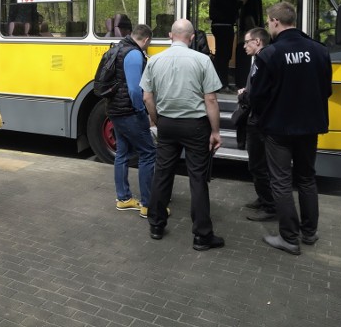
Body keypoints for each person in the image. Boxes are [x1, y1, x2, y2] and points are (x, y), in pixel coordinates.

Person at [249, 2, 332, 255]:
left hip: (279, 129)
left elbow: (257, 96)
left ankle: (288, 237)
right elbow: (326, 90)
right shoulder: (319, 51)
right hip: (310, 127)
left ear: (274, 21)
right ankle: (309, 232)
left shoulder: (269, 55)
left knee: (281, 181)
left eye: (268, 22)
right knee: (307, 178)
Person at [141, 19, 225, 250]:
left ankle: (156, 226)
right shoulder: (202, 60)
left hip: (167, 124)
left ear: (170, 35)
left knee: (162, 174)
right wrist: (216, 131)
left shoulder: (155, 60)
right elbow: (210, 99)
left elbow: (147, 98)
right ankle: (202, 236)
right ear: (191, 37)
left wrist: (158, 120)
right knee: (197, 178)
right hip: (196, 127)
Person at [106, 24, 156, 218]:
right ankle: (148, 205)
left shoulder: (118, 48)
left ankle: (124, 199)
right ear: (146, 40)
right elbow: (136, 90)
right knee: (148, 153)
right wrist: (142, 110)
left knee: (122, 152)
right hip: (129, 112)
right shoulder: (134, 54)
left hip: (116, 110)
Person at [236, 27, 276, 222]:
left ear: (258, 42)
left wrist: (244, 95)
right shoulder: (261, 59)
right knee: (258, 164)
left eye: (246, 42)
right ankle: (263, 198)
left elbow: (258, 94)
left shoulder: (262, 60)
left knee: (258, 165)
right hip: (259, 119)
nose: (244, 46)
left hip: (258, 121)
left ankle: (270, 205)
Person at [208, 0, 244, 90]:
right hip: (223, 25)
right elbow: (229, 8)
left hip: (222, 25)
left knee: (223, 55)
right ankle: (222, 84)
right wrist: (240, 3)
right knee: (223, 55)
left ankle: (223, 82)